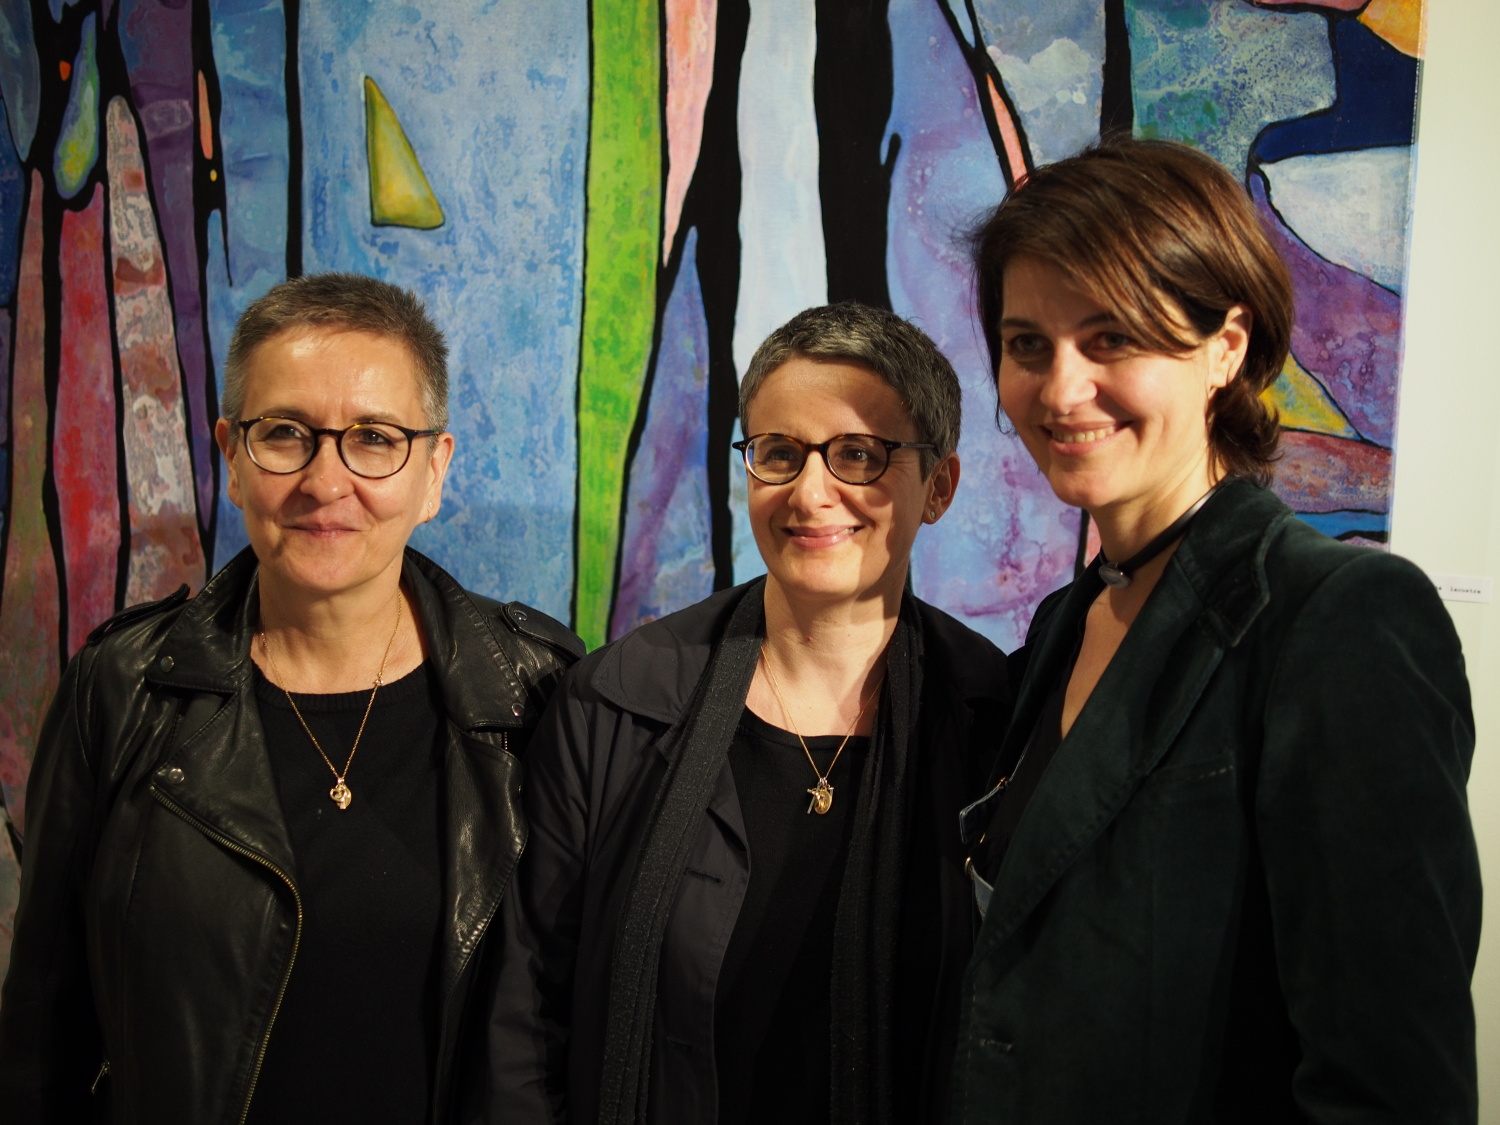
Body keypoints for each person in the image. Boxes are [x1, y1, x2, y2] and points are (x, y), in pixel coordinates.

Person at [952, 136, 1481, 1122]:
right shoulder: (1069, 622)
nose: (1060, 389)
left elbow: (1391, 1084)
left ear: (1226, 348)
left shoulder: (1337, 619)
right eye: (1028, 345)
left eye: (1111, 337)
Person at [0, 273, 583, 1123]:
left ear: (433, 471)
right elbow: (41, 1042)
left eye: (375, 438)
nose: (325, 480)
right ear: (233, 458)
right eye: (285, 434)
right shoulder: (122, 689)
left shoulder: (539, 691)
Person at [484, 303, 1011, 1125]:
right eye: (779, 453)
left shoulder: (995, 720)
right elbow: (525, 1012)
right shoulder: (616, 699)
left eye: (859, 455)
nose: (810, 492)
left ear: (938, 486)